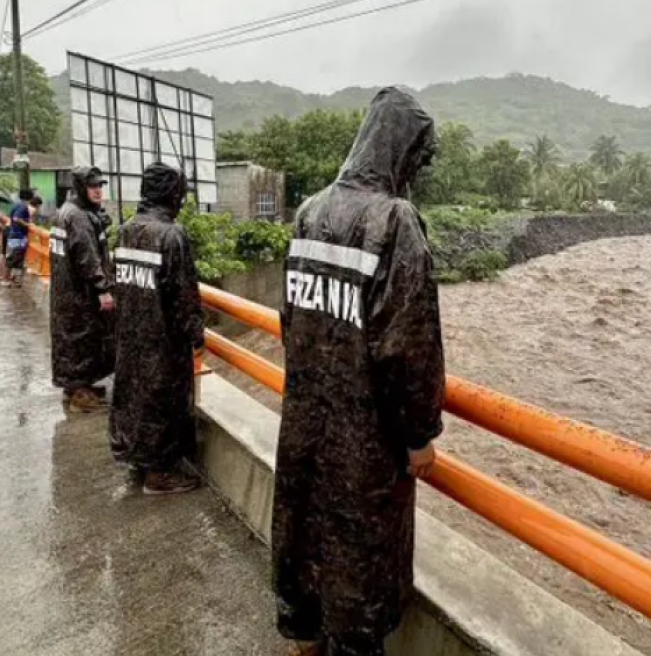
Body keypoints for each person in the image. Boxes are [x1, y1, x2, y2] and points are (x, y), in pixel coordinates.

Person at [272, 87, 445, 656]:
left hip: (303, 422)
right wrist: (420, 435)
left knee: (303, 527)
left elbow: (289, 318)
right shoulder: (395, 222)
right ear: (402, 151)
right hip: (366, 442)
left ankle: (304, 637)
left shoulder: (309, 210)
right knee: (361, 548)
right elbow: (409, 346)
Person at [109, 162, 205, 495]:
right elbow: (184, 295)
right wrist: (196, 335)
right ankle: (160, 474)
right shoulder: (171, 235)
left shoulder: (126, 229)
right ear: (171, 194)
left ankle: (139, 458)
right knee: (164, 402)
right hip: (162, 340)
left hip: (130, 336)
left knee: (135, 397)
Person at [49, 166, 115, 412]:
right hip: (80, 293)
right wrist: (103, 288)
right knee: (82, 341)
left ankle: (78, 386)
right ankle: (79, 397)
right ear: (80, 188)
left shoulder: (65, 211)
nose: (98, 191)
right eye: (92, 186)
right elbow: (87, 258)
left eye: (100, 186)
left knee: (71, 342)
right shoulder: (77, 217)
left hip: (65, 290)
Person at [4, 193, 38, 287]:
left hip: (13, 234)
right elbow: (16, 218)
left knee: (15, 258)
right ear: (30, 198)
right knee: (14, 258)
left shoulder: (15, 204)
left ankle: (12, 280)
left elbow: (11, 217)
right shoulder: (23, 206)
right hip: (19, 236)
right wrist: (27, 224)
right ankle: (7, 279)